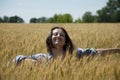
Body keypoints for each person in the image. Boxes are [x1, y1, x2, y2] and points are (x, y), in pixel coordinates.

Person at [13, 26, 120, 65]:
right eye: (55, 34)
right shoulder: (42, 58)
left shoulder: (76, 54)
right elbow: (16, 59)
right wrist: (29, 61)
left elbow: (97, 52)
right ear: (50, 39)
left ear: (66, 40)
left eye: (62, 35)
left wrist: (118, 50)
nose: (58, 36)